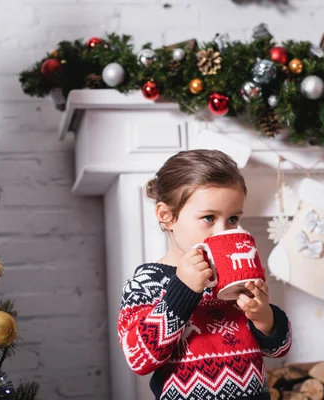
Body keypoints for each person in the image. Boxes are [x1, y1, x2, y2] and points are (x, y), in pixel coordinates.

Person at [117, 149, 292, 400]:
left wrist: (263, 316)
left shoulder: (234, 273)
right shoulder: (146, 283)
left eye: (232, 219)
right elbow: (139, 358)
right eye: (209, 218)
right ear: (167, 217)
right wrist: (184, 290)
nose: (223, 231)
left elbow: (280, 349)